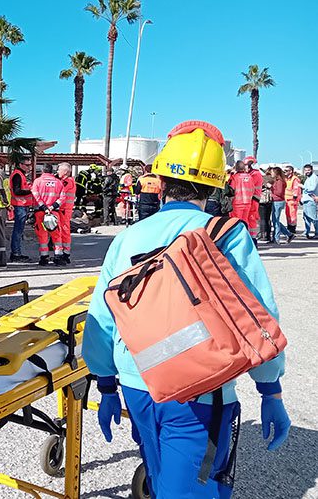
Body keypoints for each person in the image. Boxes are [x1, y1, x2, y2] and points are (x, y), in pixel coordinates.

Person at [83, 120, 289, 499]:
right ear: (215, 186)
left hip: (138, 385)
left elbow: (102, 318)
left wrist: (107, 384)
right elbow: (257, 316)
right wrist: (270, 389)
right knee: (194, 490)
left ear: (159, 184)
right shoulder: (225, 234)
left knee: (161, 479)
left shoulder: (128, 237)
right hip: (202, 391)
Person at [31, 163, 66, 266]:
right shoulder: (58, 183)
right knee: (56, 235)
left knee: (42, 235)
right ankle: (58, 257)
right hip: (54, 213)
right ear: (52, 171)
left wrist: (44, 207)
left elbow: (35, 196)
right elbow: (63, 198)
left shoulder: (37, 181)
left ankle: (44, 257)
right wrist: (52, 207)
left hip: (40, 213)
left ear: (42, 171)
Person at [8, 157, 34, 262]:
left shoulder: (20, 174)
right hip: (19, 205)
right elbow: (17, 191)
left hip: (21, 205)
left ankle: (17, 252)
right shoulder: (17, 175)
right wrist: (30, 190)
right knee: (18, 231)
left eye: (30, 165)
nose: (29, 167)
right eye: (27, 165)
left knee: (19, 231)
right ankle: (16, 253)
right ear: (21, 164)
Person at [228, 161, 257, 235]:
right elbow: (253, 189)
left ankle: (238, 237)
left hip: (237, 203)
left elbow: (231, 190)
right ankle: (245, 236)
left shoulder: (234, 177)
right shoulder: (249, 177)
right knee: (245, 221)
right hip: (247, 203)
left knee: (237, 222)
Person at [268, 167, 294, 244]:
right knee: (275, 220)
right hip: (277, 201)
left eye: (272, 172)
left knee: (275, 220)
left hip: (278, 201)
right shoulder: (278, 181)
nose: (271, 174)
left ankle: (276, 238)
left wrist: (271, 187)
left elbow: (279, 192)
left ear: (276, 173)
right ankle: (288, 234)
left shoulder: (279, 181)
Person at [57, 162, 76, 263]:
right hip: (64, 209)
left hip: (64, 209)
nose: (57, 171)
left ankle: (65, 253)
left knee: (64, 231)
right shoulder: (68, 181)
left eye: (59, 170)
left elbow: (59, 191)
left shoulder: (67, 181)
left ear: (65, 172)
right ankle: (64, 252)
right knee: (63, 230)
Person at [284, 165, 302, 234]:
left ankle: (292, 229)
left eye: (286, 171)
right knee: (288, 214)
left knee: (292, 215)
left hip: (292, 200)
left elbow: (296, 188)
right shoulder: (287, 179)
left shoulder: (294, 179)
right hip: (287, 199)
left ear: (290, 171)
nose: (285, 172)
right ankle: (289, 227)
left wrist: (295, 196)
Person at [302, 164, 317, 239]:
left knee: (313, 218)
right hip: (306, 200)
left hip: (311, 200)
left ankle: (317, 233)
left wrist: (303, 186)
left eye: (308, 170)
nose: (307, 171)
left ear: (312, 170)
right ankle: (306, 232)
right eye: (305, 170)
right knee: (306, 217)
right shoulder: (308, 178)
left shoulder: (314, 178)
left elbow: (312, 188)